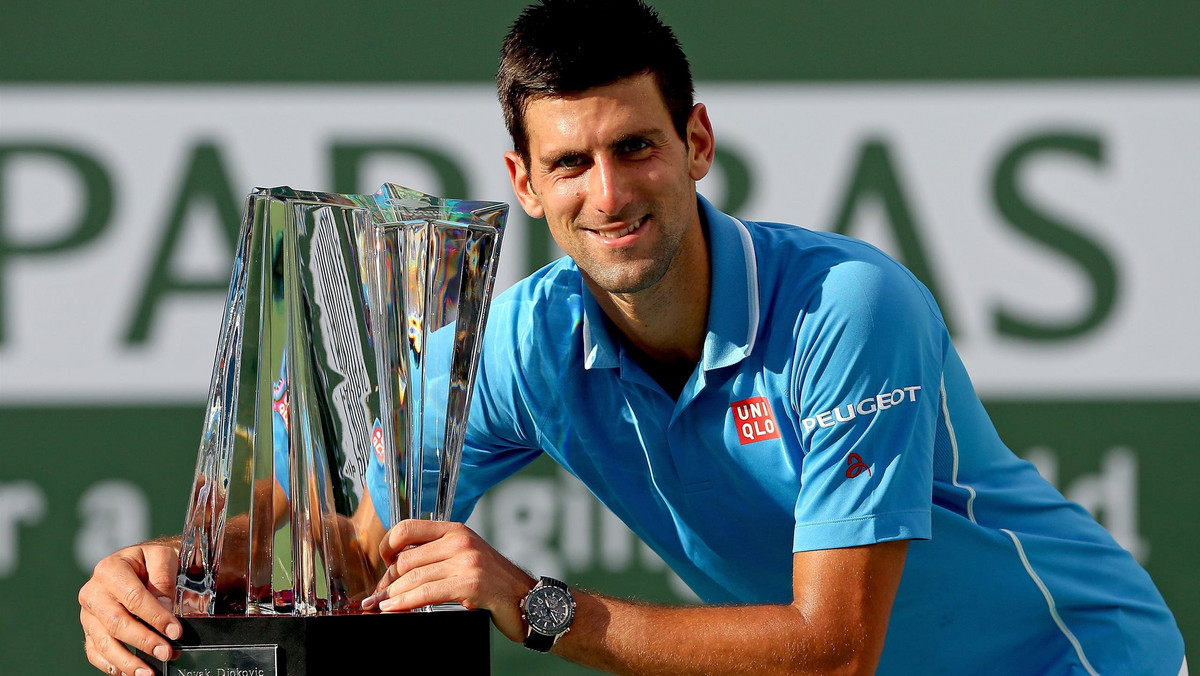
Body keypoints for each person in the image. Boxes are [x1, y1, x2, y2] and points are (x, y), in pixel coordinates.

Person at [80, 1, 1186, 674]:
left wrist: (534, 603)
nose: (608, 192)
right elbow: (369, 543)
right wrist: (191, 563)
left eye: (636, 147)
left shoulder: (851, 307)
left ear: (696, 140)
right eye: (570, 162)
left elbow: (832, 649)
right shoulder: (520, 341)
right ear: (523, 182)